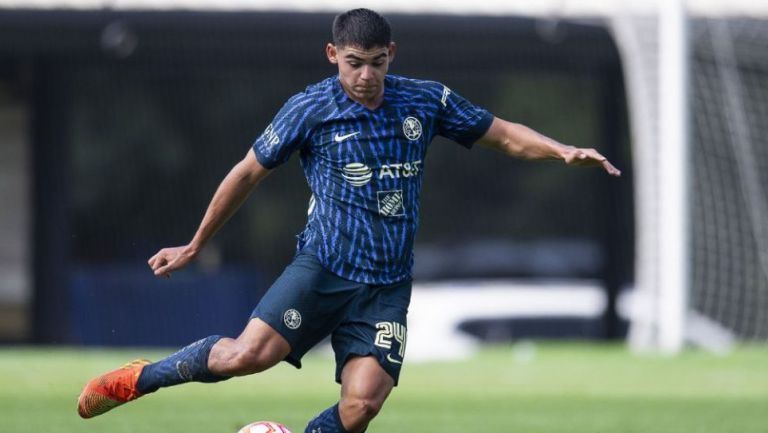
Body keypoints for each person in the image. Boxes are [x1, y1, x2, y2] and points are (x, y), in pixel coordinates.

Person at [77, 8, 621, 433]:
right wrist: (195, 245)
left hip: (386, 285)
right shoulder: (309, 109)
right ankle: (139, 379)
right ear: (332, 54)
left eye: (377, 63)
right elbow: (247, 173)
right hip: (324, 268)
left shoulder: (425, 101)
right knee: (245, 357)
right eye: (353, 63)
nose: (365, 76)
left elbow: (501, 132)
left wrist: (562, 150)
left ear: (391, 55)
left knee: (362, 406)